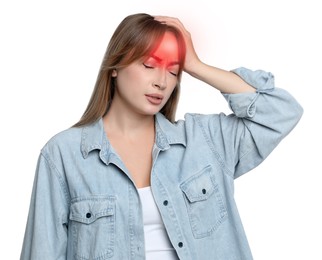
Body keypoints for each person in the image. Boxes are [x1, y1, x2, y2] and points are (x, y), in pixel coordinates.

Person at [20, 13, 303, 260]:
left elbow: (280, 112)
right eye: (149, 65)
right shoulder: (63, 155)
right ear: (115, 67)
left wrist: (196, 65)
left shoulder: (204, 141)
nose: (162, 81)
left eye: (173, 70)